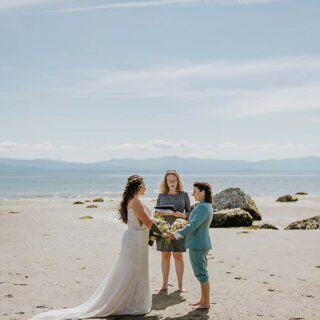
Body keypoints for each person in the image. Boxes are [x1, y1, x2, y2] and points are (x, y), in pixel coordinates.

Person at [30, 175, 162, 320]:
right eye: (144, 185)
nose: (146, 188)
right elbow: (148, 222)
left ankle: (133, 302)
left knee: (134, 270)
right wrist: (164, 234)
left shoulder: (132, 200)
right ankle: (130, 304)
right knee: (132, 270)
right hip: (136, 241)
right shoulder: (136, 201)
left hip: (136, 239)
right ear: (138, 187)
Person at [163, 181, 213, 310]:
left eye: (195, 191)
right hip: (199, 244)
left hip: (198, 245)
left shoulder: (203, 207)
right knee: (201, 273)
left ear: (203, 192)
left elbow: (193, 226)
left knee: (201, 274)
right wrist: (183, 224)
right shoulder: (204, 206)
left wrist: (174, 234)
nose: (193, 194)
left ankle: (206, 303)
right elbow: (192, 223)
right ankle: (203, 300)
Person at [155, 170, 191, 292]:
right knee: (165, 255)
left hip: (179, 228)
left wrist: (181, 215)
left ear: (177, 181)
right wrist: (159, 213)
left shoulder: (184, 195)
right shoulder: (161, 195)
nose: (171, 182)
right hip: (164, 228)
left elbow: (190, 214)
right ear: (165, 181)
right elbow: (156, 214)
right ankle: (164, 285)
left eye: (174, 180)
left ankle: (180, 286)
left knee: (178, 255)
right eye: (169, 180)